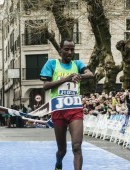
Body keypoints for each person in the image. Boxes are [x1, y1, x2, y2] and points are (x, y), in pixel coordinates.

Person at [40, 39, 93, 170]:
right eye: (67, 49)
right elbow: (45, 86)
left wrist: (78, 75)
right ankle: (58, 162)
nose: (70, 52)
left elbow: (90, 74)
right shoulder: (52, 64)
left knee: (76, 147)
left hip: (75, 109)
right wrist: (67, 78)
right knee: (62, 151)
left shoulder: (78, 64)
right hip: (58, 109)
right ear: (60, 50)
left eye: (72, 49)